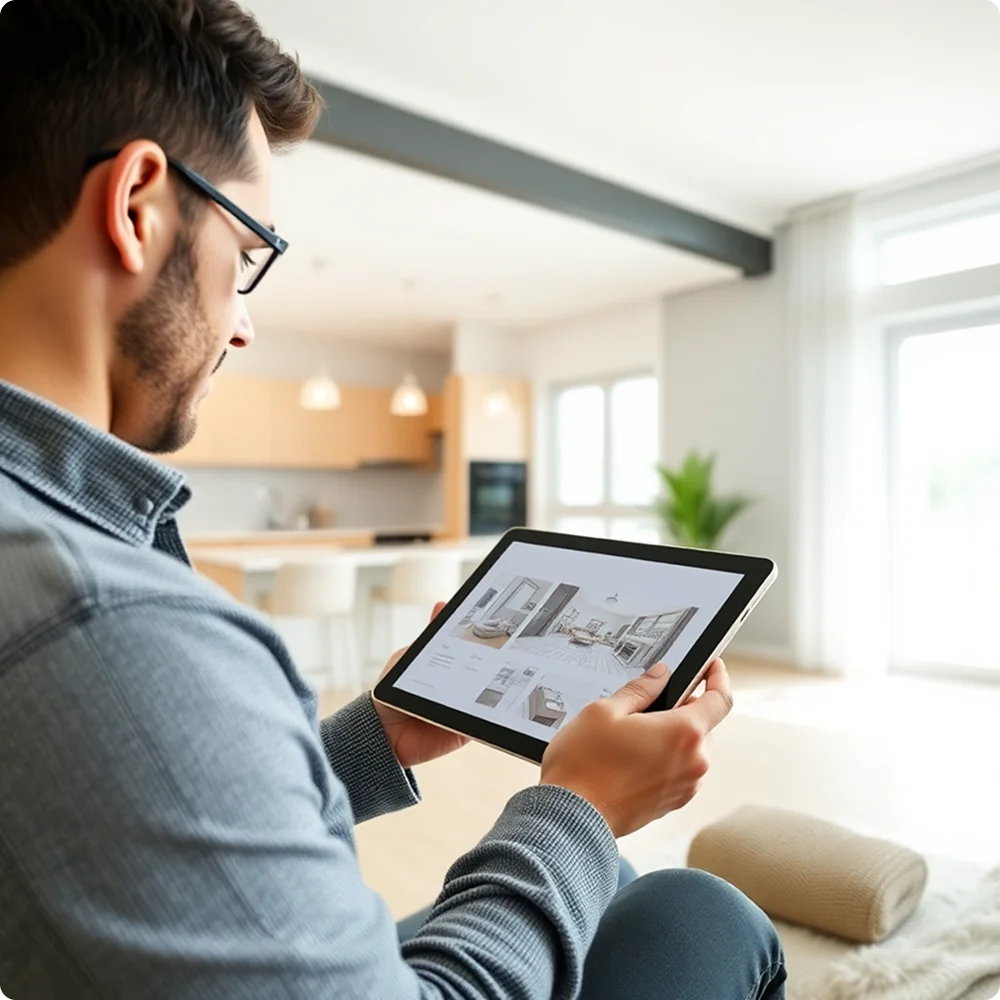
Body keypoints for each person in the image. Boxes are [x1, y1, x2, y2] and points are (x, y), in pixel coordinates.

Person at [0, 2, 786, 997]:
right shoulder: (111, 622)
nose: (240, 325)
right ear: (138, 205)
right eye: (246, 257)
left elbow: (145, 812)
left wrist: (379, 734)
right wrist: (579, 803)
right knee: (698, 907)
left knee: (617, 891)